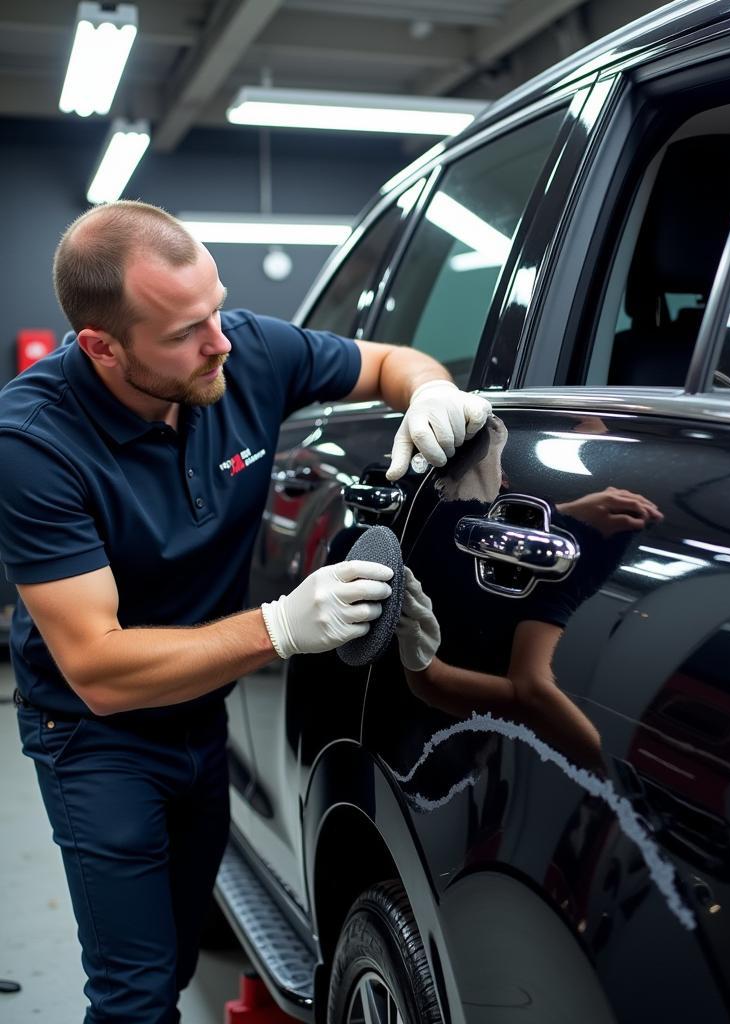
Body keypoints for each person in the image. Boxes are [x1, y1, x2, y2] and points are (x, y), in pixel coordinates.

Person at [0, 199, 490, 1023]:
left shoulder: (245, 349)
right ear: (102, 347)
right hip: (98, 741)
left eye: (217, 309)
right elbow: (97, 670)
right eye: (186, 331)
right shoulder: (34, 445)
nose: (219, 341)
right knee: (136, 996)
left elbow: (388, 360)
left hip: (203, 721)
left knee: (184, 948)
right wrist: (280, 627)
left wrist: (431, 392)